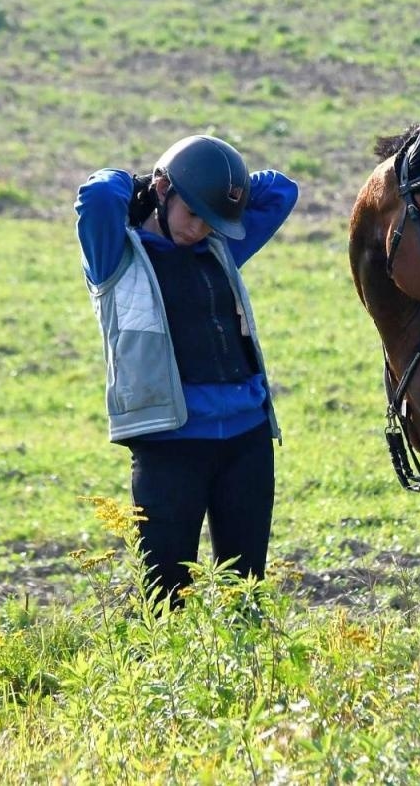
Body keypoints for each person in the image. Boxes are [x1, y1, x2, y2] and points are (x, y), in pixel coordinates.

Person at [75, 135, 298, 607]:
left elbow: (280, 190)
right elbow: (97, 196)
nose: (199, 229)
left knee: (245, 593)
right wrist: (145, 182)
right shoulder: (115, 257)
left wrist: (213, 187)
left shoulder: (220, 246)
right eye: (192, 213)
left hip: (248, 440)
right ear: (161, 190)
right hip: (169, 444)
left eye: (211, 219)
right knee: (163, 598)